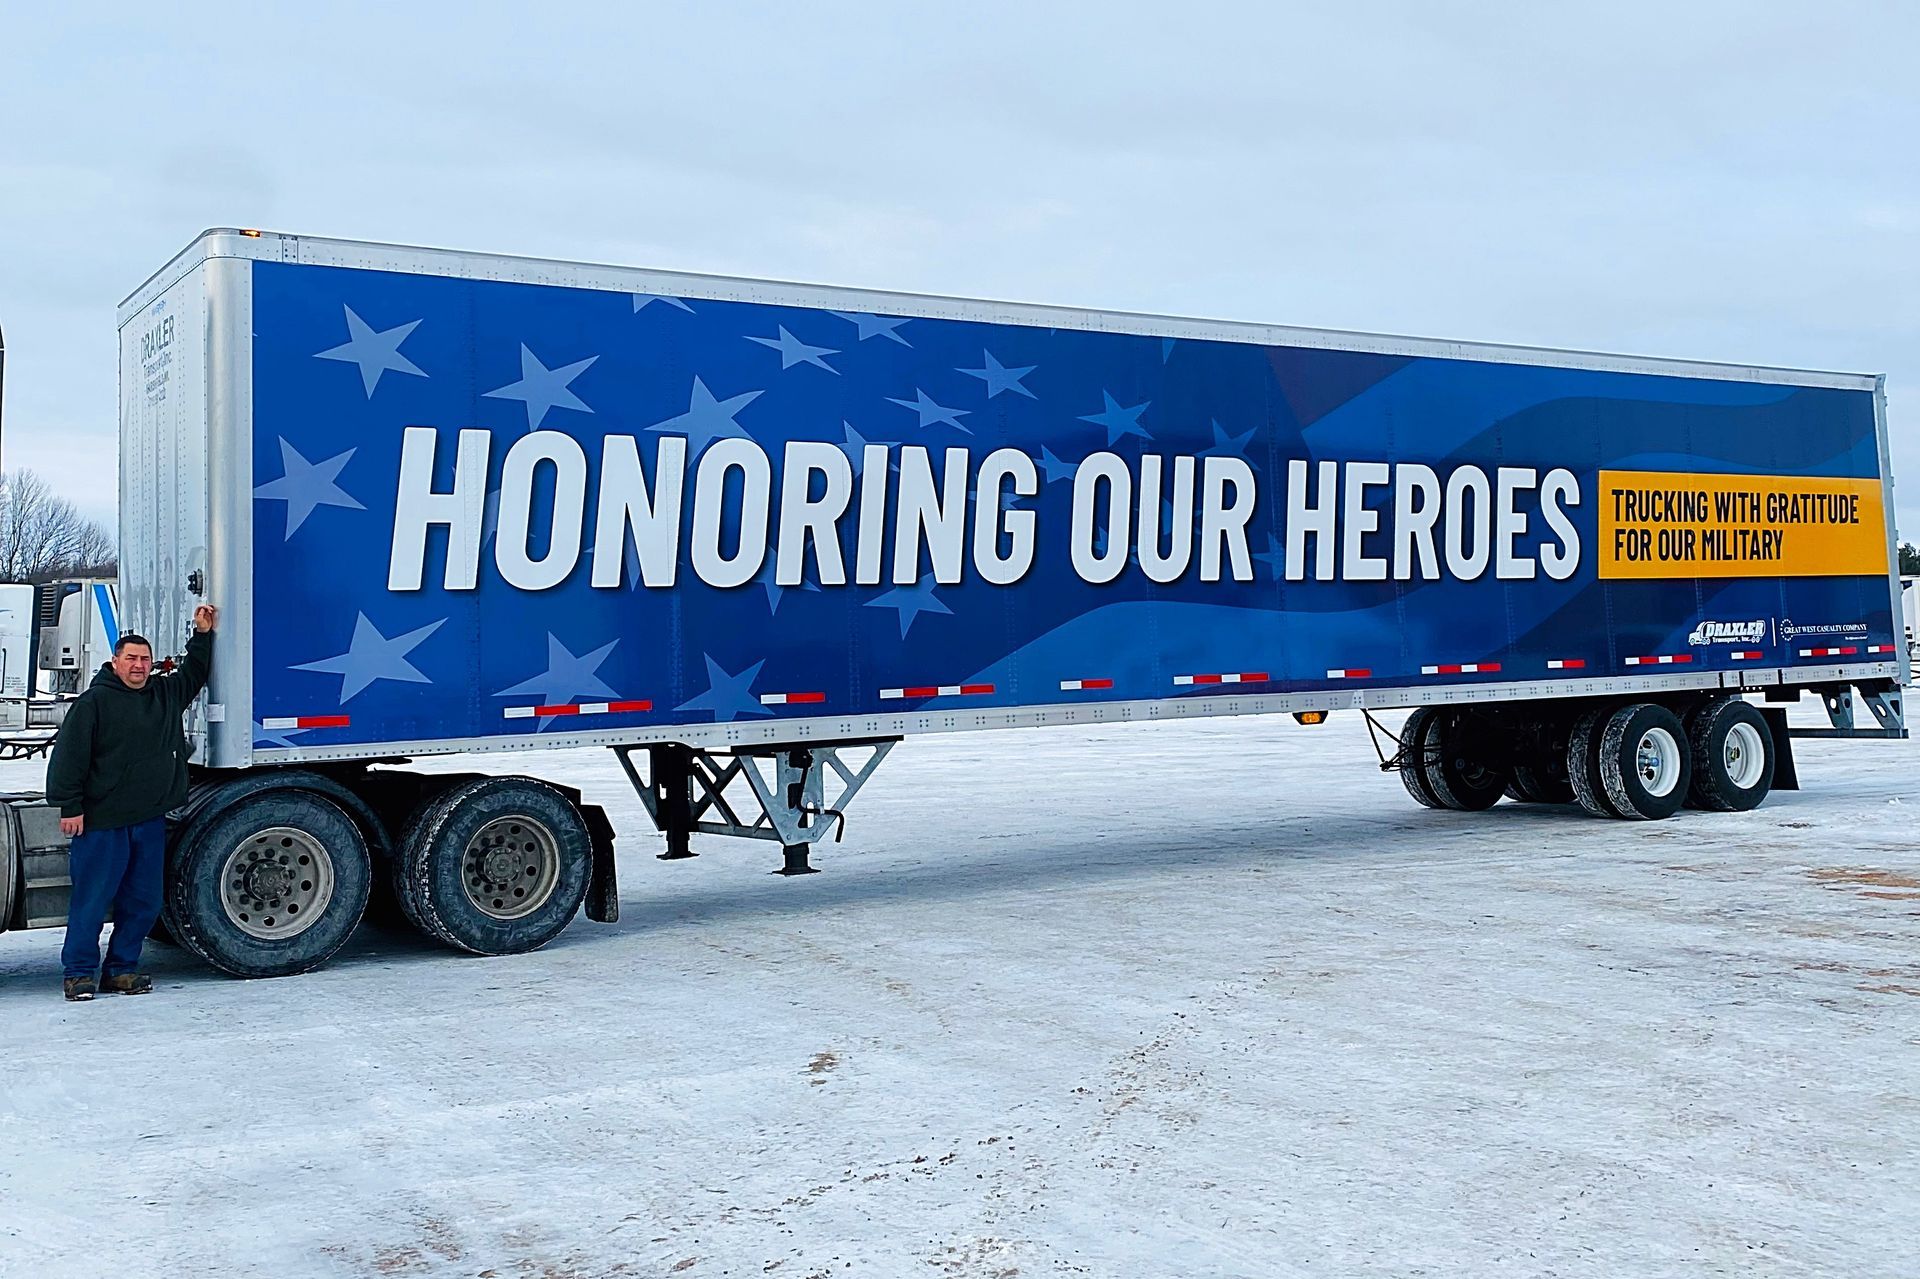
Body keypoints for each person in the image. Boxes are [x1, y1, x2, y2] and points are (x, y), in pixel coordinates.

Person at [46, 604, 217, 1001]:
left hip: (149, 819)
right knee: (92, 901)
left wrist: (202, 634)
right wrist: (70, 806)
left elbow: (195, 671)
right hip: (101, 822)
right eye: (131, 658)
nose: (138, 665)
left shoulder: (164, 694)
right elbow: (69, 758)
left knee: (143, 901)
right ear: (115, 661)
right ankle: (79, 974)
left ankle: (121, 969)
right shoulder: (93, 703)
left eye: (144, 659)